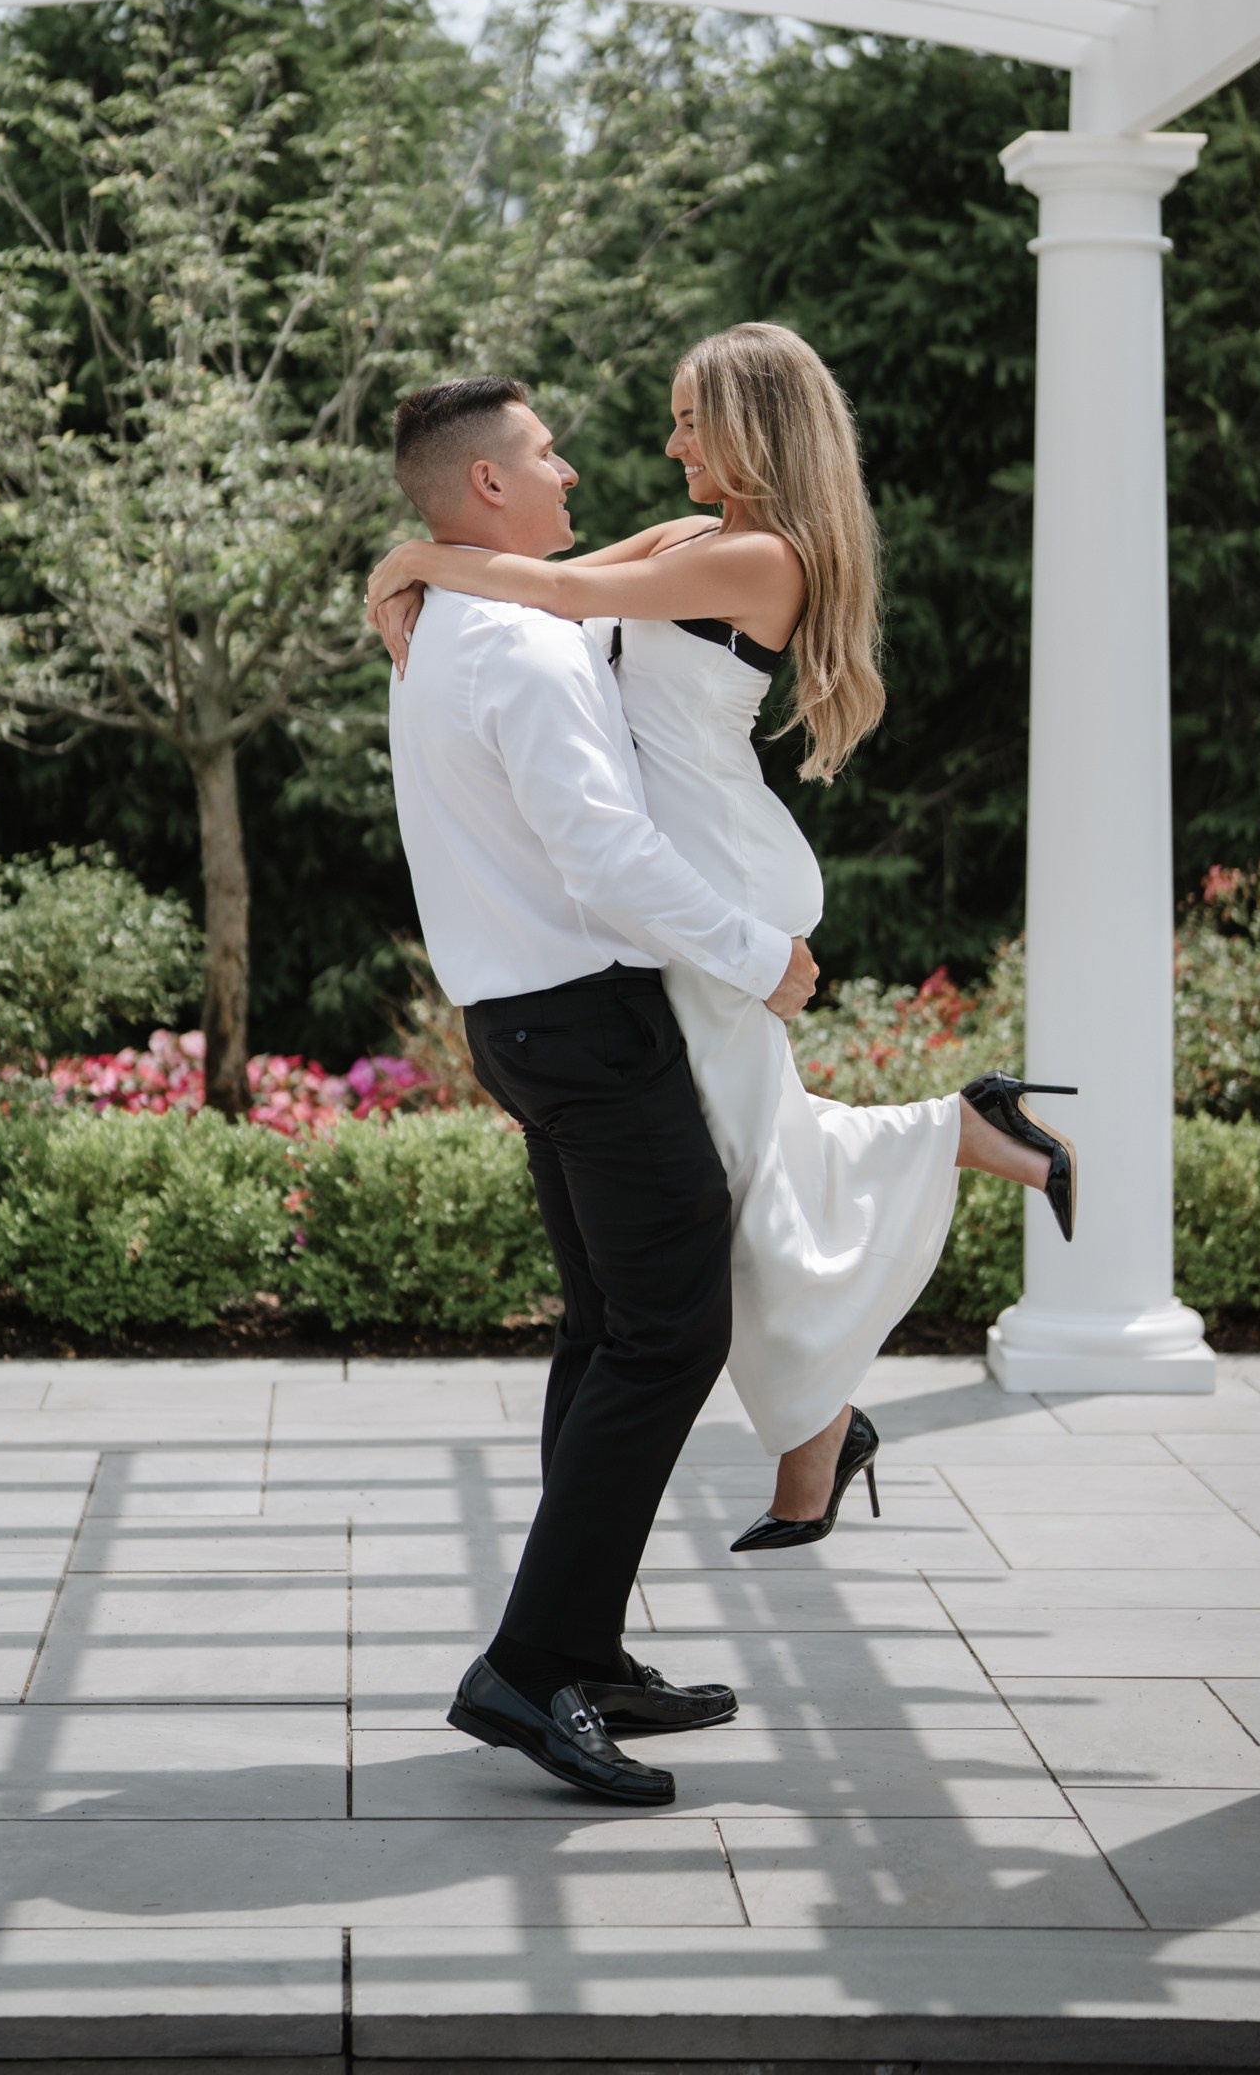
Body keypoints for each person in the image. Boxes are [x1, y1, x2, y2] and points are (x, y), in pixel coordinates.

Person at [369, 325, 1075, 1549]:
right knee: (750, 1168)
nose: (667, 442)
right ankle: (843, 1385)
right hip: (687, 880)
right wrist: (424, 559)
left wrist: (406, 557)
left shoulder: (761, 559)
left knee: (744, 1181)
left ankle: (835, 1395)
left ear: (753, 424)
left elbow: (556, 589)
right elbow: (555, 585)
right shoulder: (694, 538)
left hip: (714, 882)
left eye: (690, 418)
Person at [384, 373, 820, 1809]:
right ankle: (528, 1668)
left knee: (610, 1334)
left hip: (524, 1024)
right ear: (491, 487)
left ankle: (579, 1646)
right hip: (587, 1028)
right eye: (545, 451)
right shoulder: (513, 647)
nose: (571, 466)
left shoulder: (458, 622)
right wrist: (763, 960)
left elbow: (597, 571)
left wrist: (411, 567)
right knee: (665, 1340)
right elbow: (609, 860)